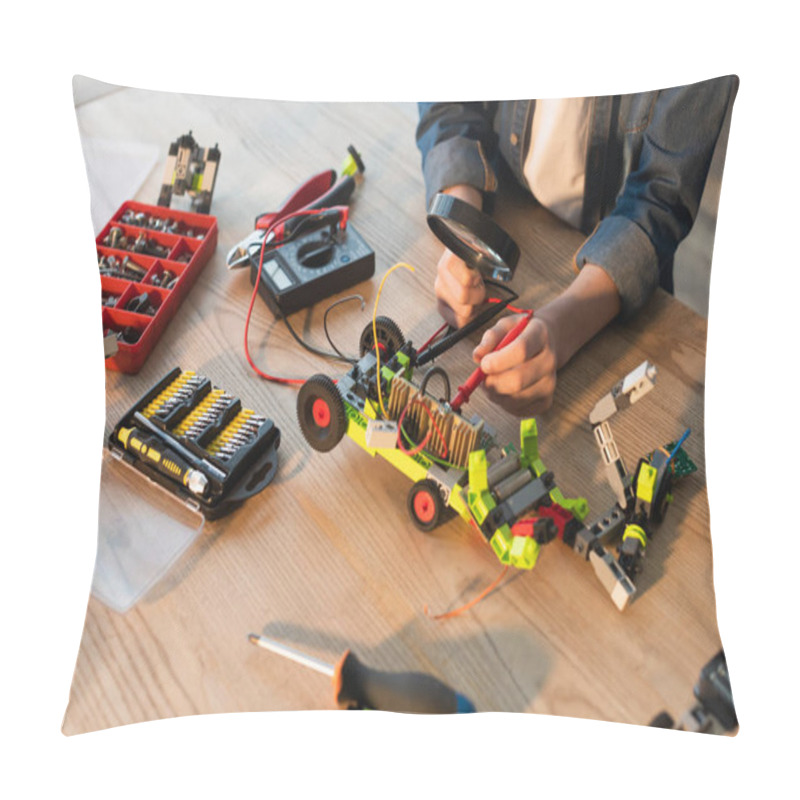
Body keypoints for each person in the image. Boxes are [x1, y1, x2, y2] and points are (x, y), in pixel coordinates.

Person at [416, 76, 738, 416]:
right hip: (509, 205)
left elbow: (661, 199)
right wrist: (462, 224)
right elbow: (449, 100)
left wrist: (559, 330)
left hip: (617, 279)